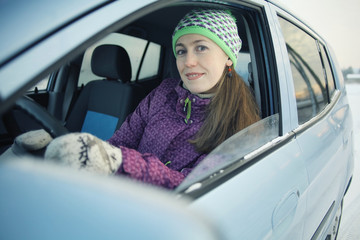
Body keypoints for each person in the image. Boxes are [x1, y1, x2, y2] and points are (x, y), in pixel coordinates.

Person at [44, 9, 260, 189]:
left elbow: (191, 184)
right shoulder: (163, 93)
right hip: (121, 193)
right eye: (181, 51)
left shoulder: (240, 123)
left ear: (228, 57)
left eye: (201, 48)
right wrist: (81, 154)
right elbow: (121, 141)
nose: (189, 62)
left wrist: (118, 163)